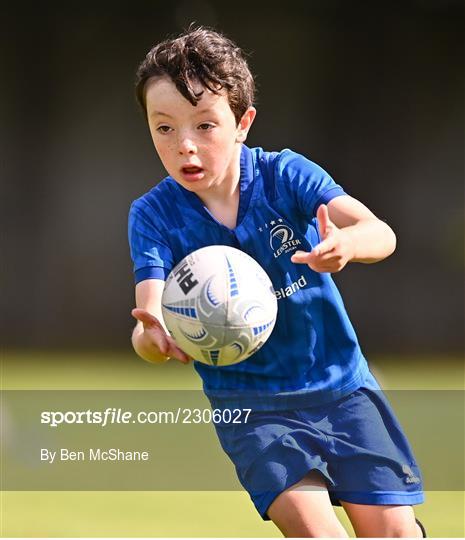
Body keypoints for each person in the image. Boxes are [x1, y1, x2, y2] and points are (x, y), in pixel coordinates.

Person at [128, 26, 426, 538]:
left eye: (204, 125)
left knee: (393, 533)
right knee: (318, 533)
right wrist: (155, 339)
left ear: (243, 123)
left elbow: (381, 233)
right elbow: (148, 316)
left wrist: (348, 246)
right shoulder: (152, 216)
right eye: (164, 128)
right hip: (252, 410)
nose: (185, 146)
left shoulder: (284, 176)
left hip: (342, 389)